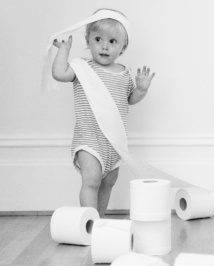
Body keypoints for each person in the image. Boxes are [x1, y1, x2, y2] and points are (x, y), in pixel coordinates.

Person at [51, 8, 155, 218]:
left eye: (112, 41)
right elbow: (59, 73)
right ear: (88, 41)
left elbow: (129, 100)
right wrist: (64, 51)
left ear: (123, 47)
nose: (104, 45)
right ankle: (90, 221)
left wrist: (141, 90)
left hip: (114, 142)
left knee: (108, 182)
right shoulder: (82, 68)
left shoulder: (124, 73)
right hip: (89, 138)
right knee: (91, 181)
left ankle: (100, 219)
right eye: (98, 39)